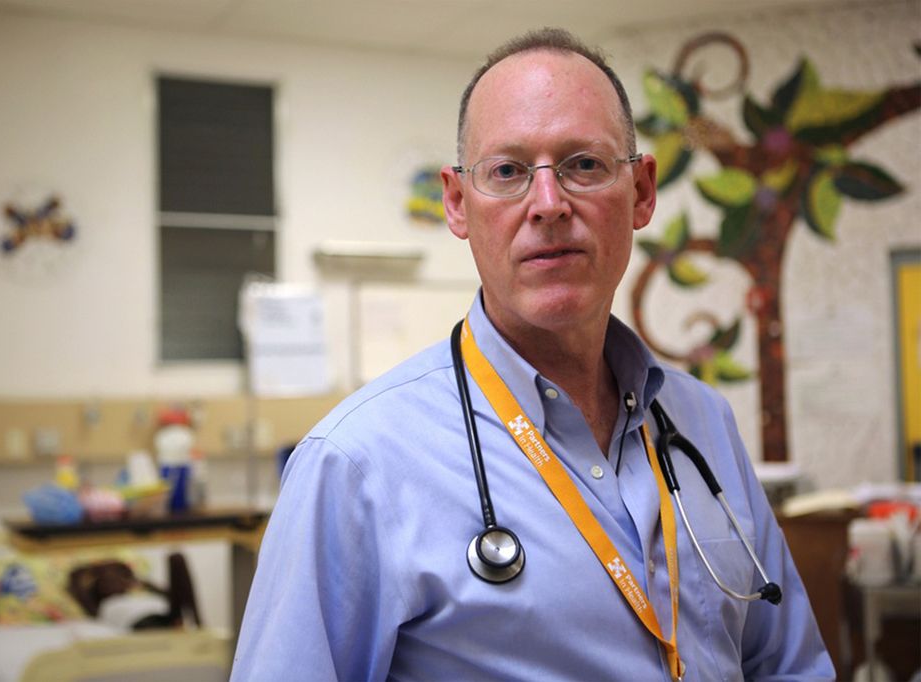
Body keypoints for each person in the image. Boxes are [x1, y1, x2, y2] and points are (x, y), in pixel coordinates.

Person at [231, 27, 834, 681]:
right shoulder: (354, 468)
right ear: (458, 203)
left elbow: (789, 666)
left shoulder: (703, 423)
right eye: (508, 172)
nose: (549, 205)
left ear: (641, 192)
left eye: (583, 164)